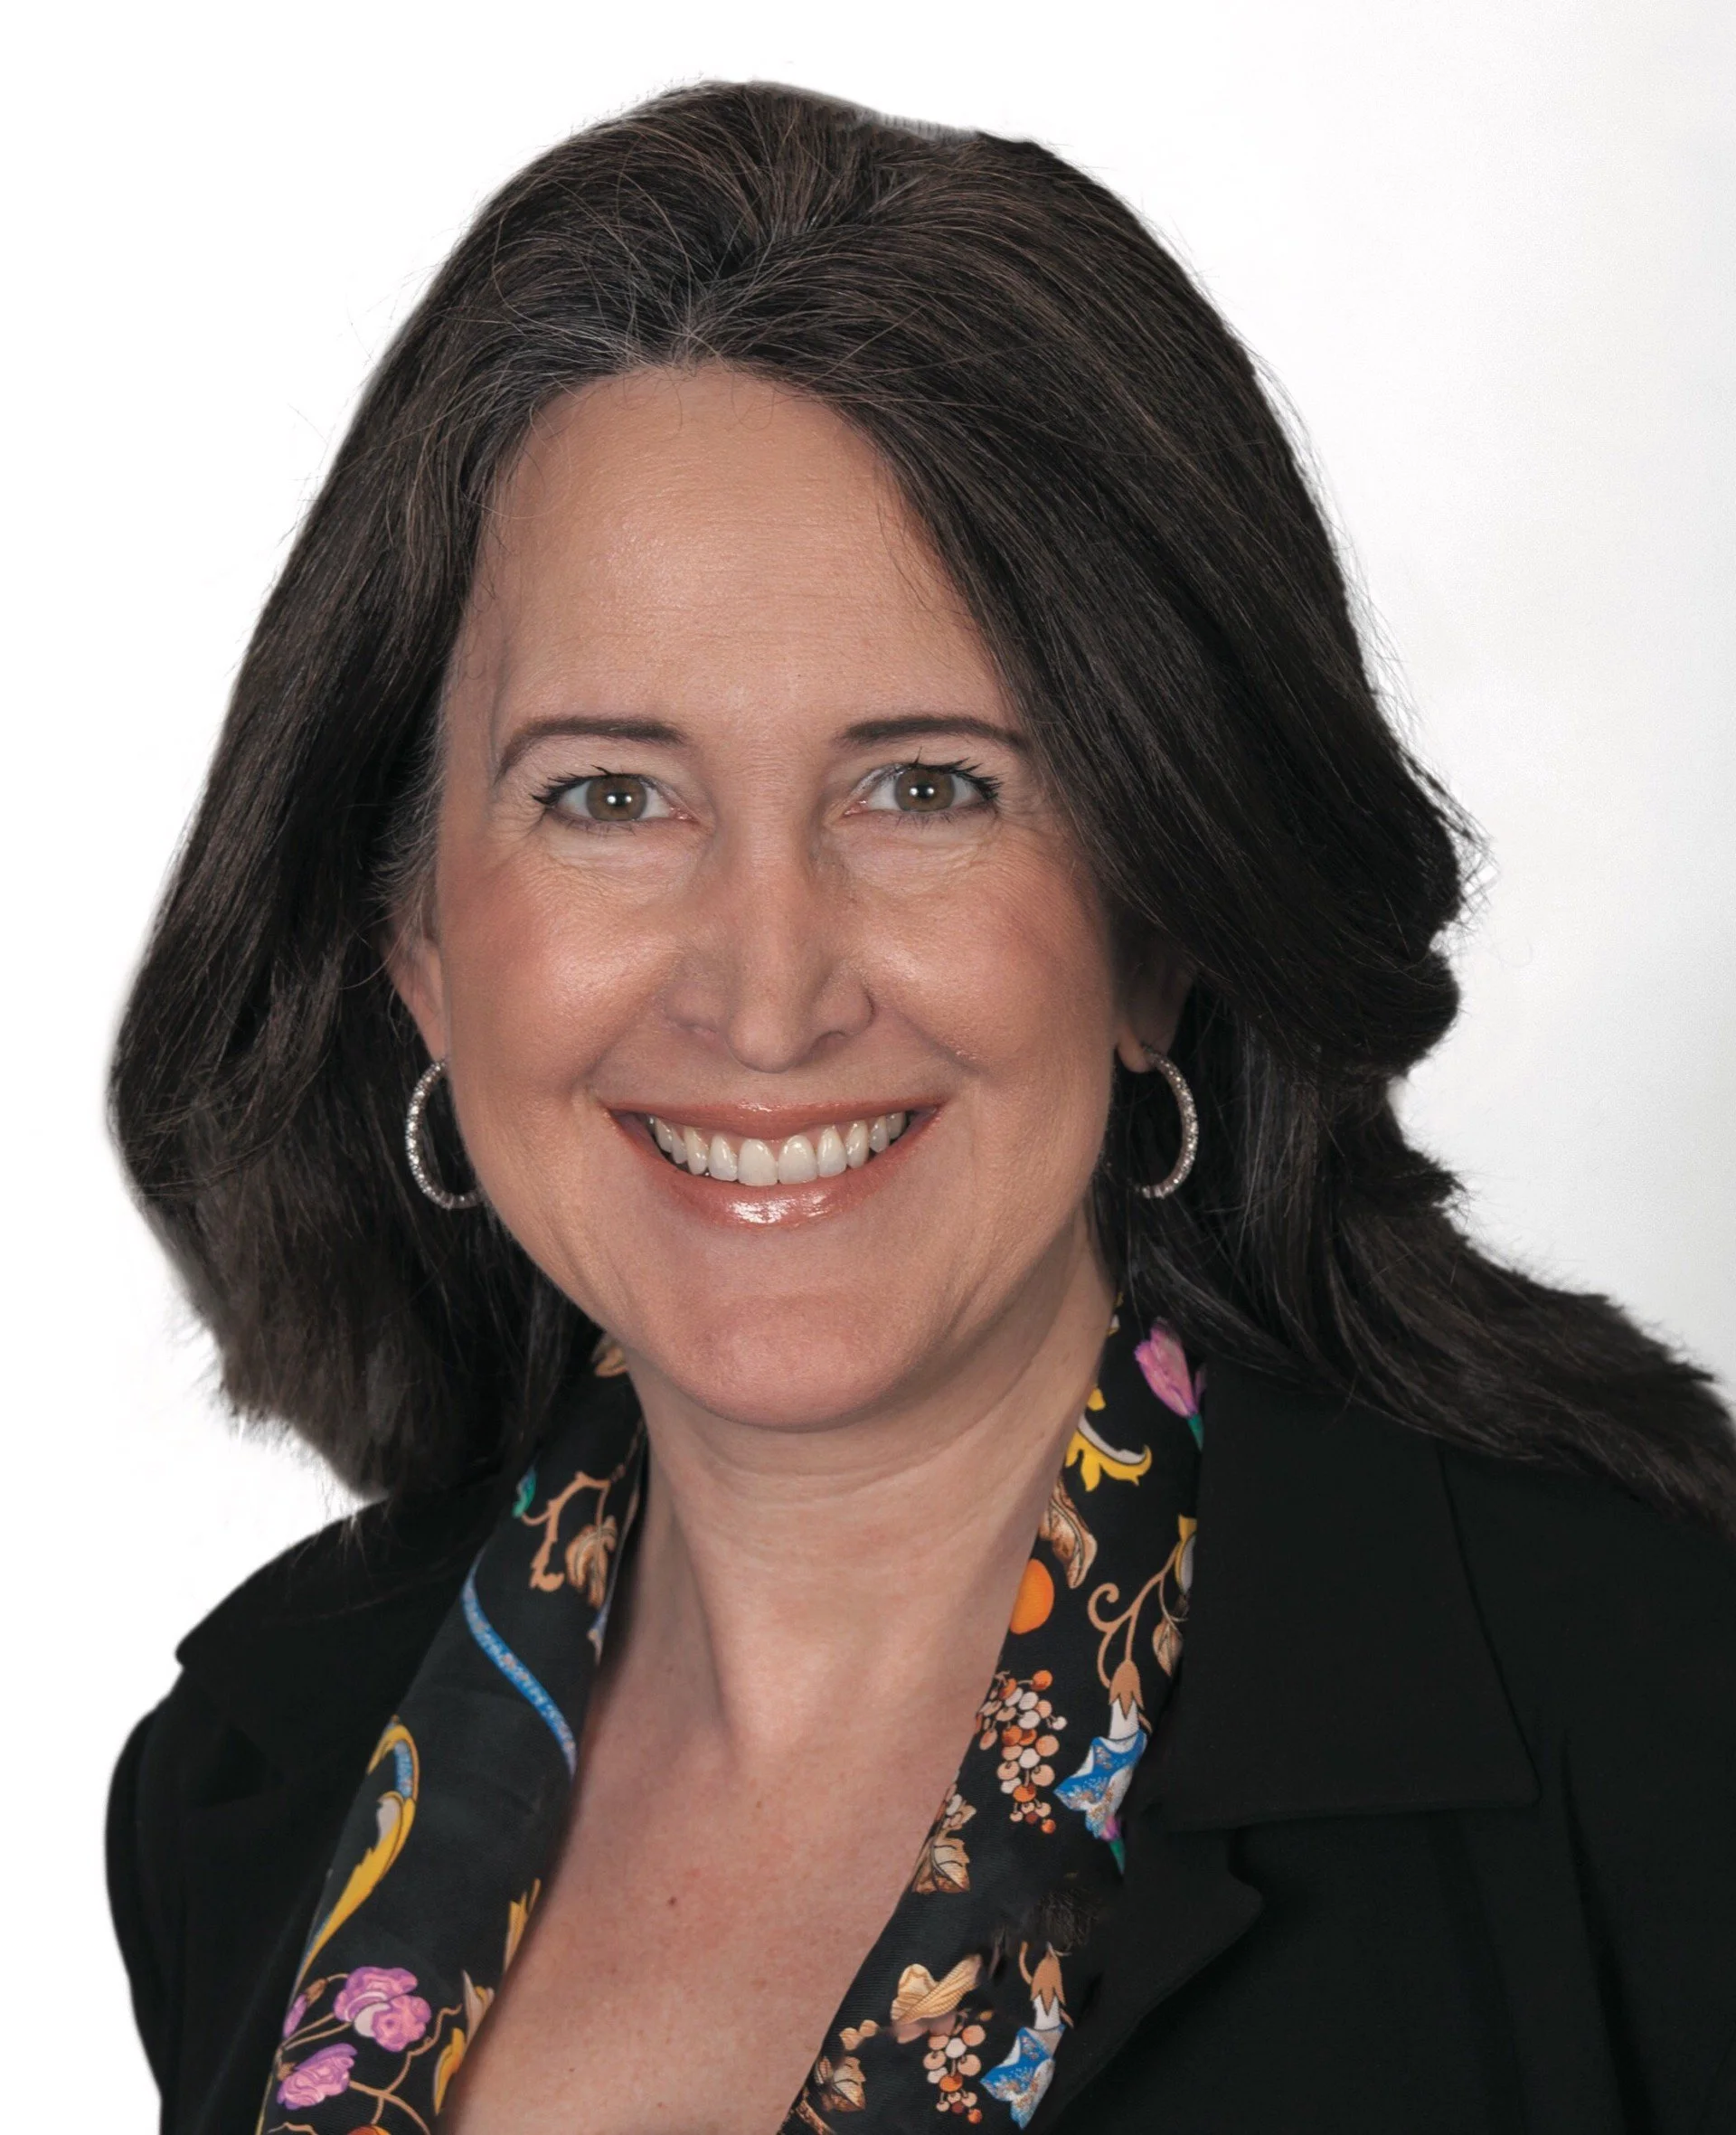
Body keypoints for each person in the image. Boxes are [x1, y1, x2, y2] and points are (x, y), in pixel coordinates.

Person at [105, 80, 1736, 2135]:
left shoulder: (1654, 1735)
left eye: (927, 787)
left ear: (1160, 915)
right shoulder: (253, 1780)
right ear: (414, 936)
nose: (766, 992)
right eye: (607, 795)